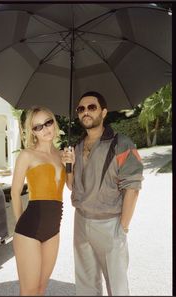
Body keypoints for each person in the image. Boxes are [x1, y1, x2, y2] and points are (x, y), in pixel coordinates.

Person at [62, 91, 144, 296]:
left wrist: (122, 227)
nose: (85, 112)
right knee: (86, 284)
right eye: (81, 109)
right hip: (81, 221)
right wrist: (68, 166)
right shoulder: (77, 146)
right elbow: (72, 187)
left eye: (91, 107)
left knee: (116, 287)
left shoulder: (122, 143)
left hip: (109, 224)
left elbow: (132, 188)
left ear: (104, 112)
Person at [11, 106, 66, 296]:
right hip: (29, 230)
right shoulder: (27, 155)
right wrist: (20, 224)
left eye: (48, 122)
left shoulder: (62, 155)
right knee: (29, 291)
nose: (45, 129)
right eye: (38, 127)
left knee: (41, 289)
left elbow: (73, 189)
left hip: (53, 229)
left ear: (54, 122)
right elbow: (15, 192)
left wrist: (72, 166)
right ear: (32, 132)